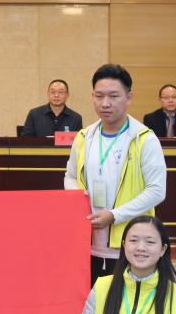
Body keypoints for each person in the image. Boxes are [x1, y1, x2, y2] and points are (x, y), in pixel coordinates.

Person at [64, 64, 166, 284]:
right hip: (87, 241)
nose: (105, 103)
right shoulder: (84, 137)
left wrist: (114, 215)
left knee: (125, 303)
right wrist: (78, 200)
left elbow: (157, 190)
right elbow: (70, 176)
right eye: (99, 96)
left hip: (130, 244)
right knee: (93, 302)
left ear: (129, 97)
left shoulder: (144, 139)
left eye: (113, 96)